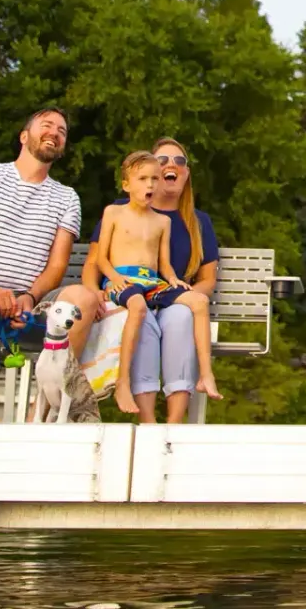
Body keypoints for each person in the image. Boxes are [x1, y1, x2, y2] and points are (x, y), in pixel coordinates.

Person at [0, 107, 102, 362]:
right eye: (47, 125)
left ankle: (54, 397)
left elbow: (56, 265)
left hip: (32, 304)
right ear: (23, 136)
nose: (54, 132)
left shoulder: (67, 198)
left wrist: (29, 298)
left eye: (62, 131)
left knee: (83, 298)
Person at [123, 137, 222, 424]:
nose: (171, 165)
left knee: (179, 317)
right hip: (132, 298)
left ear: (186, 173)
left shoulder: (199, 222)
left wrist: (184, 297)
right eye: (163, 160)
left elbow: (206, 280)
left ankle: (174, 424)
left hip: (174, 300)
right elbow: (97, 260)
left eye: (179, 161)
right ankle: (147, 423)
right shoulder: (124, 210)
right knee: (142, 318)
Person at [83, 151, 182, 415]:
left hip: (151, 281)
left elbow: (164, 264)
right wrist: (113, 279)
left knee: (196, 302)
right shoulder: (113, 212)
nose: (149, 185)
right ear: (126, 185)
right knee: (138, 307)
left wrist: (173, 280)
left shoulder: (163, 221)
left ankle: (205, 376)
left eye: (154, 179)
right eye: (142, 179)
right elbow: (100, 258)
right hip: (121, 279)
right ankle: (122, 382)